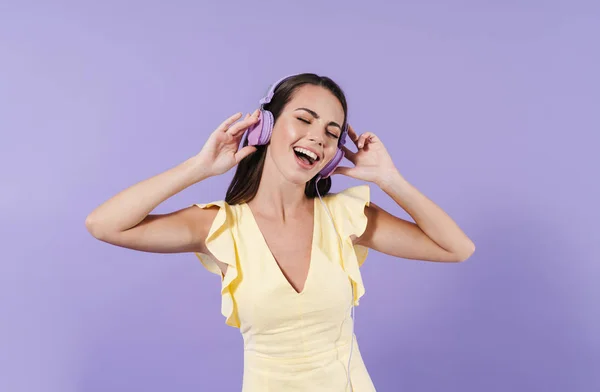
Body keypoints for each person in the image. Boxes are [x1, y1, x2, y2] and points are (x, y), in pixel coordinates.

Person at [85, 73, 476, 391]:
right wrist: (199, 167)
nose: (317, 137)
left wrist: (391, 180)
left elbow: (456, 248)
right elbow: (104, 224)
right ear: (266, 126)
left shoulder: (345, 216)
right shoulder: (220, 227)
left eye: (331, 131)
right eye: (304, 119)